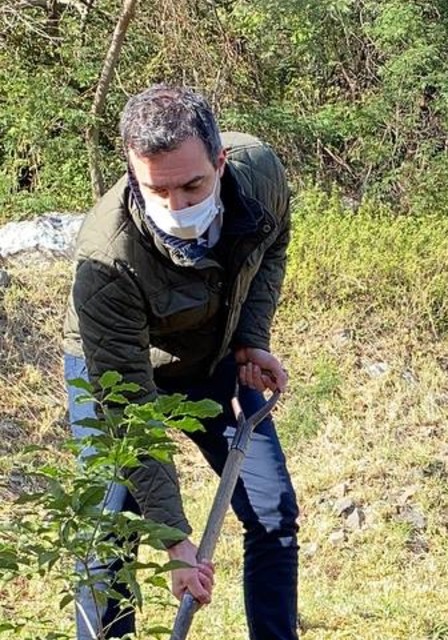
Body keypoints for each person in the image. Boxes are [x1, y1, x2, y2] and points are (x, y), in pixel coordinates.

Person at [63, 84, 299, 639]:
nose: (177, 205)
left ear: (220, 161)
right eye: (157, 189)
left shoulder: (259, 173)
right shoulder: (105, 260)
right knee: (110, 523)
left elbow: (274, 244)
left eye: (192, 184)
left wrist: (250, 336)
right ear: (131, 171)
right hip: (119, 371)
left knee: (273, 512)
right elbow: (132, 414)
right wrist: (175, 541)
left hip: (212, 356)